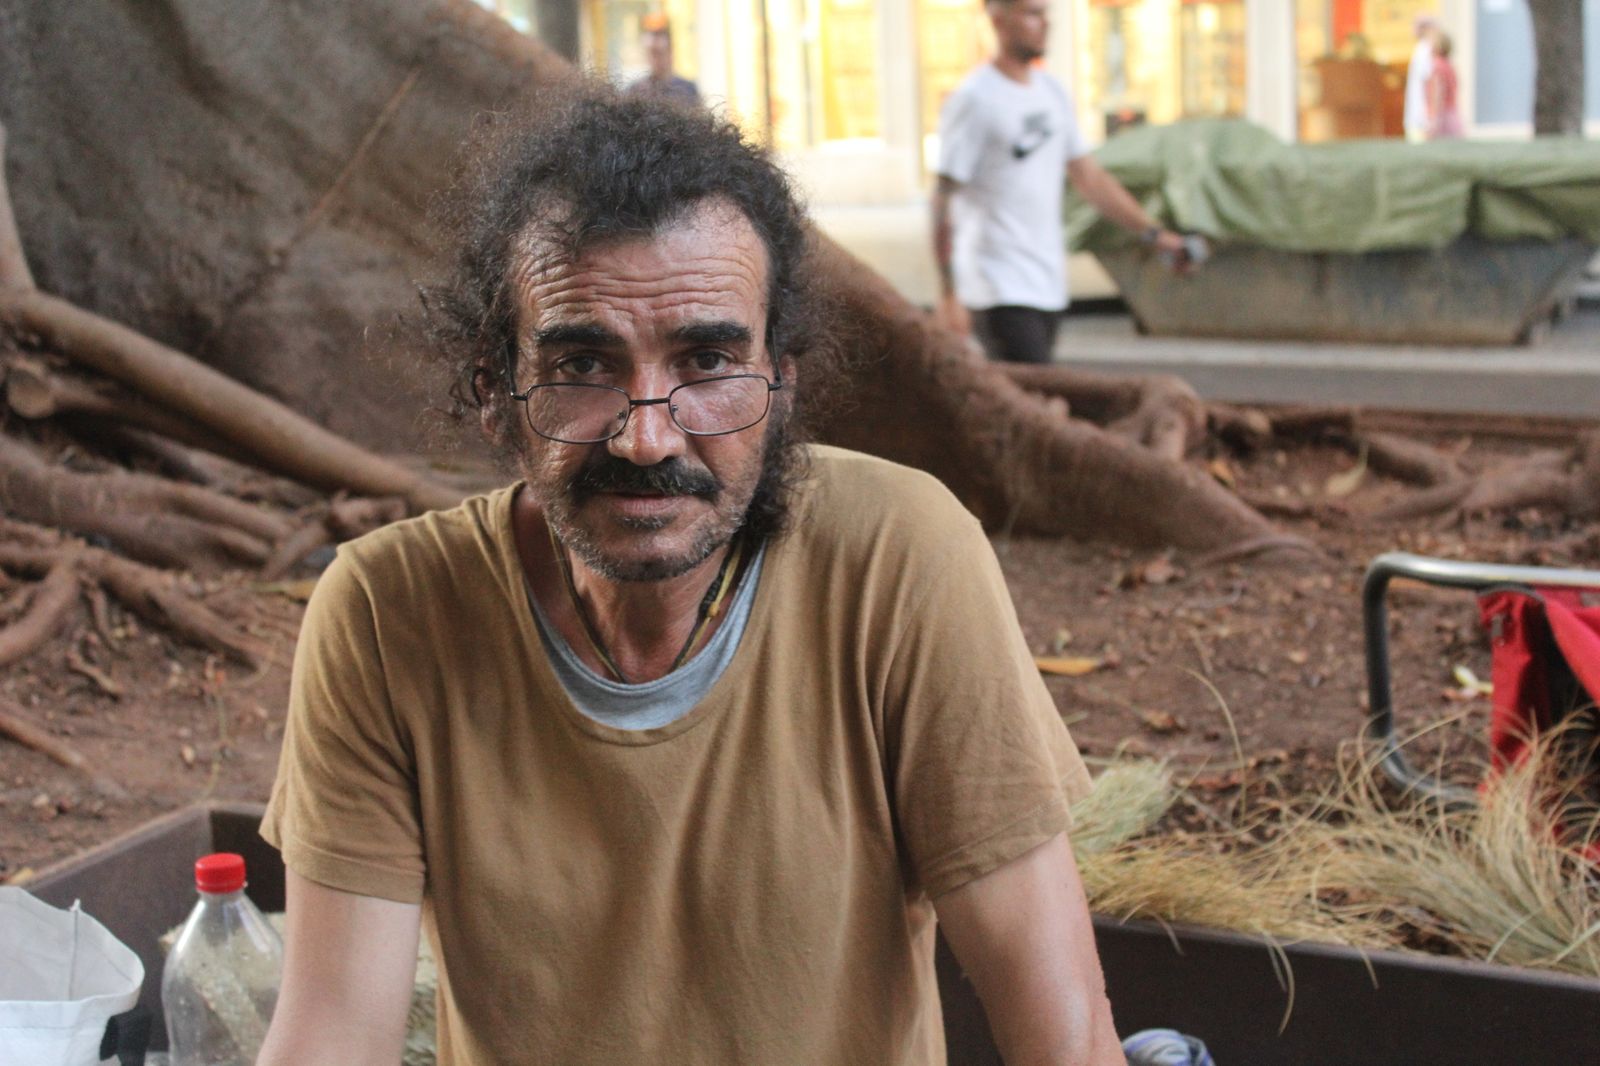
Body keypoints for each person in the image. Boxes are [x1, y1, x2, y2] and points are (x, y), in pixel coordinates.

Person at [256, 91, 1122, 1066]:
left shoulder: (900, 558)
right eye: (582, 364)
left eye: (707, 360)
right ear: (495, 390)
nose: (648, 432)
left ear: (781, 382)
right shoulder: (387, 615)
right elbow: (333, 1030)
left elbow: (1062, 1030)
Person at [932, 0, 1192, 365]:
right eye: (1031, 14)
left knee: (1026, 407)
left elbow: (1090, 177)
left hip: (1046, 283)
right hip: (996, 285)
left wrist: (1155, 235)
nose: (1044, 24)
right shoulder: (974, 99)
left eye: (1046, 14)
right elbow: (943, 199)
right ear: (997, 19)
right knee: (1029, 406)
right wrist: (948, 294)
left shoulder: (1051, 93)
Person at [625, 13, 699, 106]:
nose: (655, 59)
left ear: (670, 51)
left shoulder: (687, 89)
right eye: (651, 53)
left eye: (659, 53)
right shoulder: (635, 91)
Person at [1403, 14, 1438, 143]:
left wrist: (1430, 111)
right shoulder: (1421, 49)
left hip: (1421, 114)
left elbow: (1429, 81)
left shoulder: (1425, 49)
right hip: (1417, 113)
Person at [1427, 32, 1463, 140]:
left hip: (1442, 116)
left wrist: (1434, 119)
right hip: (1453, 114)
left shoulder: (1437, 66)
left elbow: (1438, 92)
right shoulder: (1450, 66)